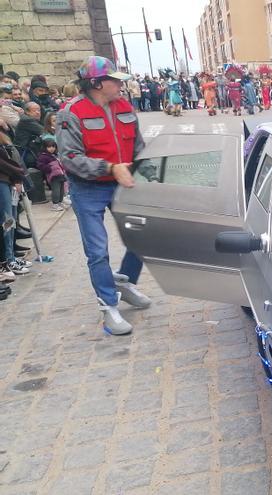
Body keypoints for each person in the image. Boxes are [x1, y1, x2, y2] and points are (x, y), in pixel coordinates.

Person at [56, 56, 153, 336]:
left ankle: (125, 282)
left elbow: (138, 147)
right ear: (97, 83)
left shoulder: (125, 106)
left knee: (141, 236)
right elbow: (70, 158)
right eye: (115, 80)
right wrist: (110, 167)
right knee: (97, 251)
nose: (121, 84)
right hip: (89, 189)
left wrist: (146, 173)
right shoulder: (70, 113)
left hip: (123, 184)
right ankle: (109, 305)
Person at [0, 129, 28, 279]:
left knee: (11, 220)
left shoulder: (4, 134)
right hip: (3, 181)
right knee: (7, 221)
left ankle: (10, 256)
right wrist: (17, 174)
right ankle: (8, 258)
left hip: (8, 181)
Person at [35, 136, 68, 211]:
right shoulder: (43, 156)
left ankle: (60, 202)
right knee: (56, 190)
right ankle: (55, 204)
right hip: (53, 176)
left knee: (61, 190)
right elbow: (40, 165)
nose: (51, 148)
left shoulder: (55, 155)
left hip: (61, 175)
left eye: (53, 146)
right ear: (44, 147)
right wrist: (50, 168)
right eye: (49, 147)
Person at [13, 102, 44, 167]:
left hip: (30, 150)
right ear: (27, 112)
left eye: (39, 110)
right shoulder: (26, 120)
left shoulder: (31, 119)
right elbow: (44, 132)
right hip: (26, 153)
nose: (38, 112)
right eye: (34, 111)